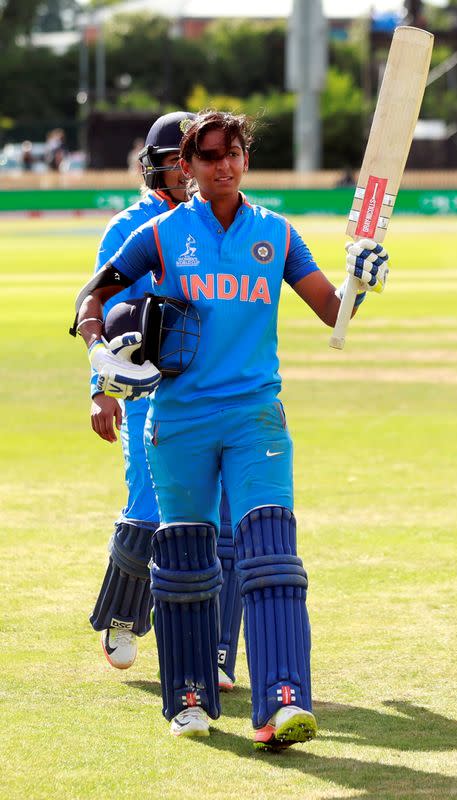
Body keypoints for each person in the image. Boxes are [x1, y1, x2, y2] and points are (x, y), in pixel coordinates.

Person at [73, 110, 389, 750]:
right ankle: (189, 695)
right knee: (187, 564)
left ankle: (283, 702)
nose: (224, 164)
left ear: (246, 159)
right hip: (180, 420)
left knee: (271, 552)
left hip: (255, 416)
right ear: (186, 167)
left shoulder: (276, 232)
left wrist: (361, 278)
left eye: (234, 153)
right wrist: (99, 352)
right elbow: (93, 297)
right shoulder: (160, 235)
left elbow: (334, 313)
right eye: (210, 155)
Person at [85, 111, 242, 692]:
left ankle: (214, 649)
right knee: (149, 505)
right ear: (159, 167)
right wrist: (100, 389)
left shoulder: (212, 222)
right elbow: (98, 306)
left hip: (211, 388)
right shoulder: (132, 225)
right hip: (147, 391)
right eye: (178, 161)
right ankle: (124, 616)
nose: (188, 171)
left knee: (220, 517)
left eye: (191, 160)